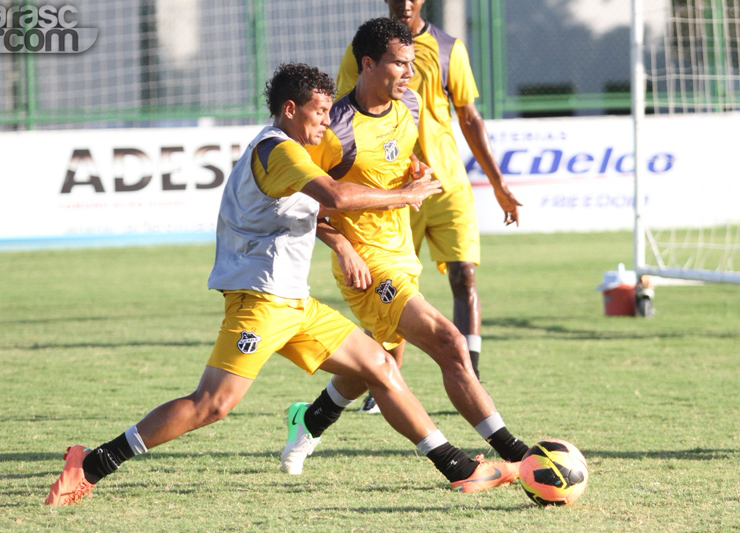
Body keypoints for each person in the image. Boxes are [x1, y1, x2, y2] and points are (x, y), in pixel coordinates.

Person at [45, 62, 518, 506]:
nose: (326, 125)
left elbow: (320, 211)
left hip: (294, 303)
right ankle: (88, 465)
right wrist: (404, 195)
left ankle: (457, 468)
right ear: (290, 110)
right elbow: (336, 196)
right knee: (211, 405)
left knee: (379, 365)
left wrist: (346, 239)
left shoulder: (295, 151)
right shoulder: (279, 150)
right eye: (318, 114)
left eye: (330, 115)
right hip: (259, 301)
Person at [280, 18, 529, 479]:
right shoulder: (333, 127)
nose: (410, 73)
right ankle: (516, 452)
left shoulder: (409, 104)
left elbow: (397, 157)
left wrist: (415, 172)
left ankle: (310, 420)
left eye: (413, 63)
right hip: (367, 264)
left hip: (401, 253)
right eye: (400, 63)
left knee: (372, 360)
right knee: (449, 342)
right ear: (369, 64)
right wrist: (341, 247)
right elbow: (298, 200)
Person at [338, 1, 522, 411]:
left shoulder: (448, 48)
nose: (405, 3)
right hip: (390, 192)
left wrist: (498, 183)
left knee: (465, 276)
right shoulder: (363, 50)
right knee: (398, 296)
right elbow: (343, 119)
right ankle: (380, 377)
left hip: (447, 183)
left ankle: (470, 373)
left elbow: (469, 116)